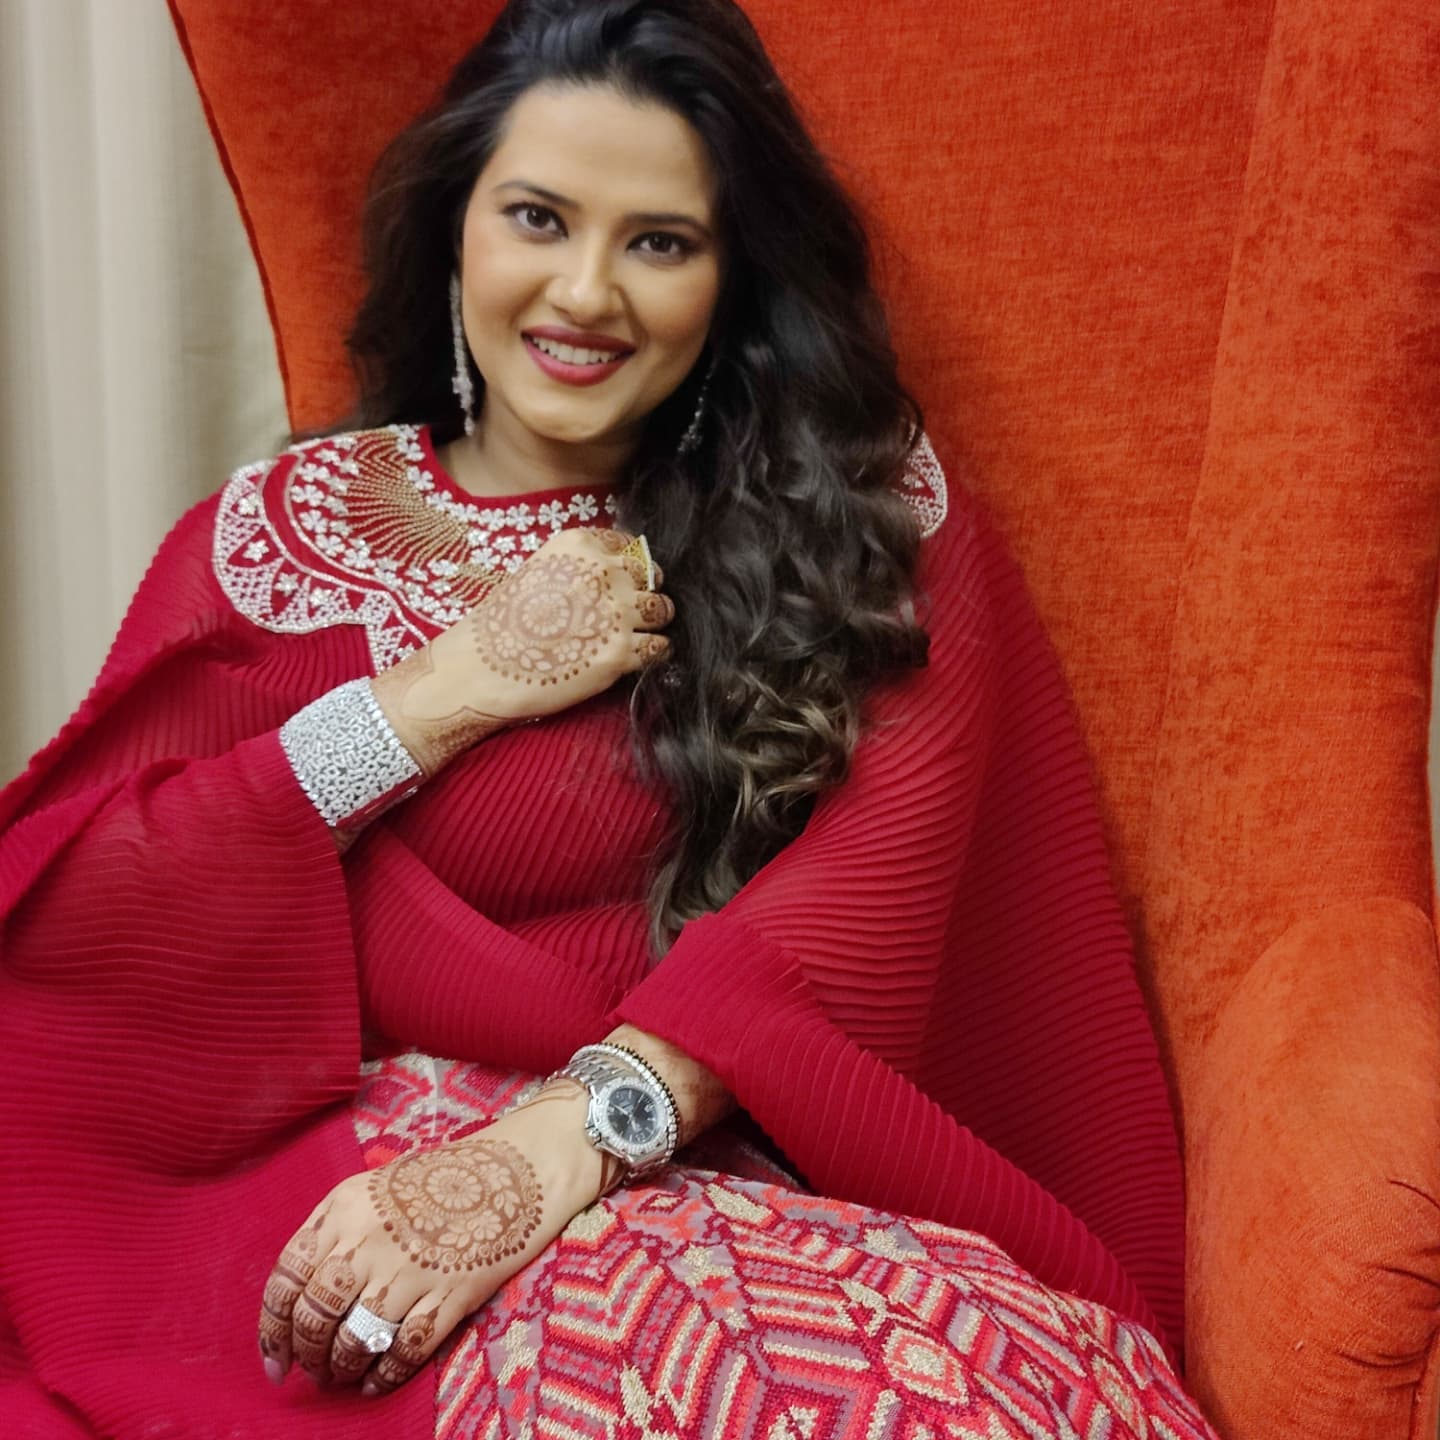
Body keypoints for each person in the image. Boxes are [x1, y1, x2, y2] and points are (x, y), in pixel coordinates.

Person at [0, 1, 1221, 1436]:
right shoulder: (291, 532)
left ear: (733, 276)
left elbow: (870, 891)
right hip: (335, 1204)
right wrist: (440, 694)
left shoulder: (861, 513)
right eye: (537, 218)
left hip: (718, 1160)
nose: (585, 293)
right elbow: (77, 913)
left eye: (660, 242)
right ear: (456, 226)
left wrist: (559, 1146)